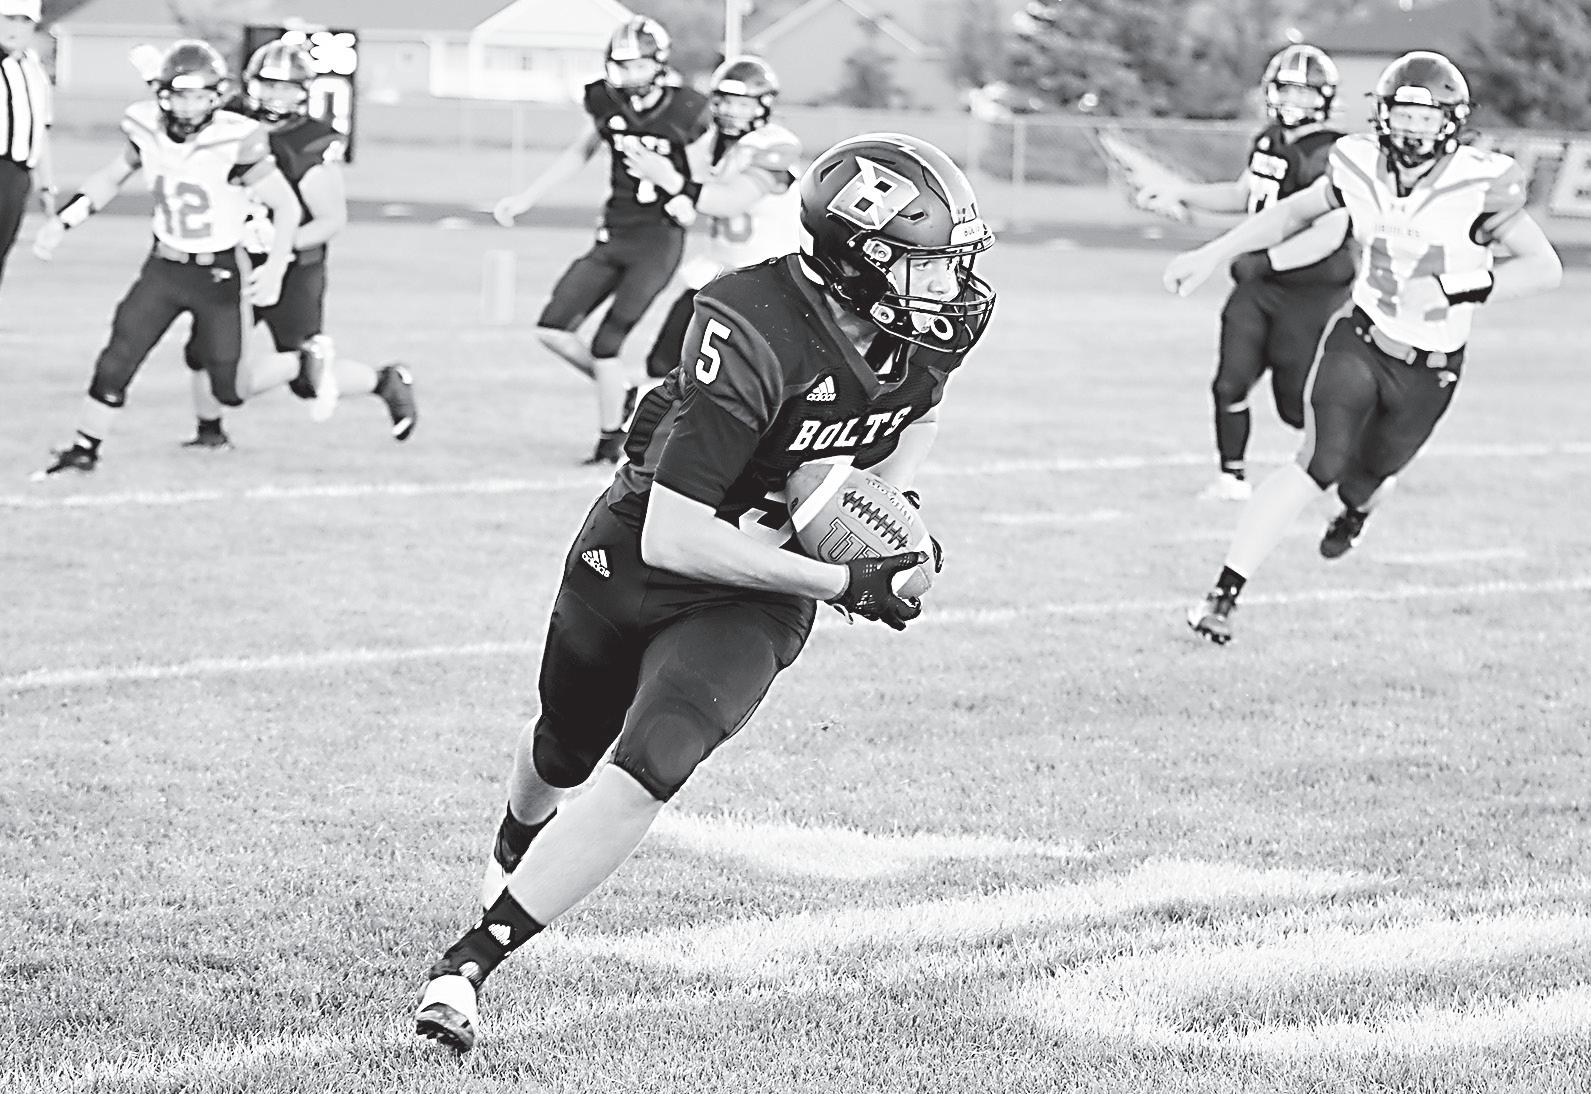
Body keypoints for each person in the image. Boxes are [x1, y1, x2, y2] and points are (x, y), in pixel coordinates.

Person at [413, 133, 997, 1052]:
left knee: (655, 761)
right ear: (859, 259)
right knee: (564, 748)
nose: (949, 284)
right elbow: (675, 535)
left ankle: (469, 963)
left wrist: (886, 509)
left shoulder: (927, 334)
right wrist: (845, 579)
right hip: (640, 557)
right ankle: (515, 842)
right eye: (926, 263)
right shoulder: (753, 322)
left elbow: (915, 411)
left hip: (754, 594)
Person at [1166, 51, 1563, 644]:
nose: (1411, 129)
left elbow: (1543, 267)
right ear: (1382, 115)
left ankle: (1355, 511)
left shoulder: (1478, 184)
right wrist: (1212, 253)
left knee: (1366, 479)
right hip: (1361, 337)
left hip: (1431, 367)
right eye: (1402, 115)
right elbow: (1290, 213)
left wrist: (1458, 288)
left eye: (1425, 118)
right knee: (1315, 463)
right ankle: (1223, 596)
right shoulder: (1357, 163)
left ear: (1450, 122)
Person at [30, 39, 300, 478]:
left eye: (199, 96)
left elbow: (286, 205)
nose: (189, 107)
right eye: (180, 95)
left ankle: (302, 361)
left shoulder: (236, 138)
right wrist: (64, 221)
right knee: (118, 356)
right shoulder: (145, 127)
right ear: (163, 95)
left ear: (216, 96)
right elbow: (112, 177)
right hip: (164, 267)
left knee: (230, 389)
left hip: (219, 271)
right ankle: (84, 450)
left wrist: (274, 267)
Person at [1138, 44, 1354, 501]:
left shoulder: (1332, 153)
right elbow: (1244, 196)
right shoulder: (1269, 140)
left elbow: (1330, 233)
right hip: (1259, 287)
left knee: (1296, 406)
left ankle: (1353, 460)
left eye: (1304, 92)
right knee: (1229, 382)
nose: (1293, 101)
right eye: (1286, 90)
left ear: (1324, 98)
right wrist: (1182, 193)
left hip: (1310, 293)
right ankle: (1231, 478)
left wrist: (1266, 260)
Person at [492, 16, 709, 465]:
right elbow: (581, 151)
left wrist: (682, 199)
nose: (628, 75)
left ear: (658, 63)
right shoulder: (606, 102)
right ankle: (624, 391)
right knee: (552, 329)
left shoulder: (686, 109)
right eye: (621, 66)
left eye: (637, 65)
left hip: (658, 240)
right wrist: (528, 197)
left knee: (607, 344)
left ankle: (610, 442)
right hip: (614, 233)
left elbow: (698, 177)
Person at [186, 39, 418, 450]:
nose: (275, 95)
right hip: (235, 260)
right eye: (268, 84)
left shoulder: (309, 142)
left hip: (294, 269)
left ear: (303, 91)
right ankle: (210, 433)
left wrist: (279, 246)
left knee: (307, 379)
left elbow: (331, 220)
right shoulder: (229, 123)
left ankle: (385, 381)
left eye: (286, 86)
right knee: (203, 349)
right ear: (249, 83)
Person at [630, 55, 801, 381]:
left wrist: (673, 183)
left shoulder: (772, 147)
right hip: (718, 273)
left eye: (741, 104)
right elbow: (689, 176)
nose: (730, 111)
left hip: (767, 281)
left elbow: (729, 201)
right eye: (724, 102)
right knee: (663, 364)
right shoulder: (714, 144)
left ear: (763, 105)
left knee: (749, 379)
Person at [0, 0, 53, 300]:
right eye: (9, 18)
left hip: (19, 175)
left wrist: (47, 184)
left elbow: (41, 130)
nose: (15, 28)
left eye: (24, 21)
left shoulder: (34, 69)